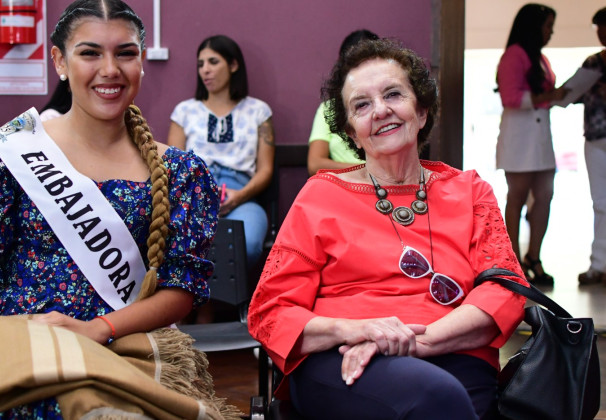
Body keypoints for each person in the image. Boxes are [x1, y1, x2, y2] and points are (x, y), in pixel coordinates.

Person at [0, 0, 223, 417]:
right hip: (13, 342)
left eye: (125, 53)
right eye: (90, 53)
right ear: (60, 61)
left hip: (120, 346)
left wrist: (95, 331)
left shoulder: (181, 172)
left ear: (141, 62)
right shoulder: (7, 156)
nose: (110, 69)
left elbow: (179, 293)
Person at [248, 39, 527, 419]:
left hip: (455, 355)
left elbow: (506, 291)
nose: (380, 111)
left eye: (393, 94)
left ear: (422, 109)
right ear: (351, 131)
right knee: (438, 399)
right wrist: (357, 332)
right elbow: (271, 311)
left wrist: (409, 343)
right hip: (344, 360)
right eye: (361, 105)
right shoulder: (320, 196)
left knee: (455, 401)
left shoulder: (470, 191)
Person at [167, 34, 274, 269]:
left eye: (213, 62)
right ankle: (202, 306)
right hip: (194, 196)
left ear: (233, 65)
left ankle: (229, 304)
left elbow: (265, 170)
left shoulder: (258, 111)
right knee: (182, 244)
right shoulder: (184, 111)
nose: (205, 70)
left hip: (242, 195)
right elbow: (172, 169)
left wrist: (241, 195)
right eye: (200, 64)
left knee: (247, 244)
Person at [496, 3, 568, 286]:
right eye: (548, 26)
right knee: (517, 197)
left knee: (545, 196)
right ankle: (513, 262)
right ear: (533, 27)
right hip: (520, 138)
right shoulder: (513, 55)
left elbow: (546, 94)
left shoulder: (541, 58)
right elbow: (510, 98)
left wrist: (561, 95)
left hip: (540, 139)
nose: (550, 32)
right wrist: (549, 95)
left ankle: (533, 257)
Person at [306, 29, 378, 176]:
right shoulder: (329, 109)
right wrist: (367, 173)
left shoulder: (389, 106)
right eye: (356, 65)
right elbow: (315, 164)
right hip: (343, 185)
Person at [577, 7, 606, 285]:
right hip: (597, 137)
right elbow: (572, 93)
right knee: (600, 202)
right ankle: (599, 264)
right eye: (598, 28)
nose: (601, 33)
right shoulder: (593, 61)